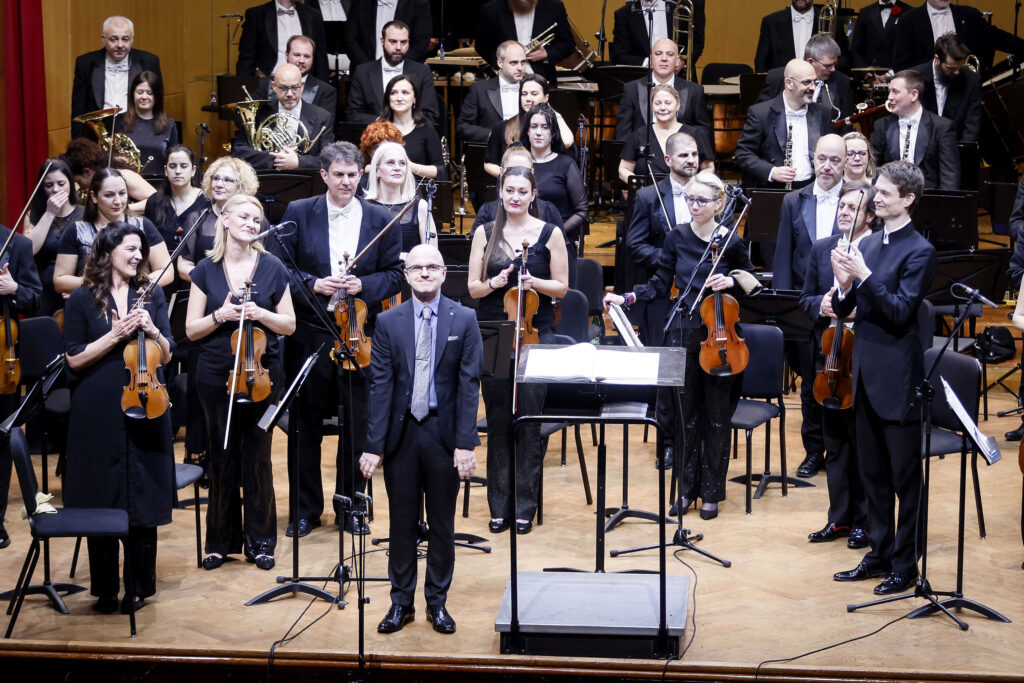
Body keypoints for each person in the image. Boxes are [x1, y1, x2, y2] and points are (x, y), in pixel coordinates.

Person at [604, 172, 753, 520]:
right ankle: (686, 489)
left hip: (719, 335)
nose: (693, 206)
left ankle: (712, 491)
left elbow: (752, 280)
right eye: (689, 199)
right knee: (686, 418)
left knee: (716, 417)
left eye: (702, 200)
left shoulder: (730, 240)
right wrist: (628, 297)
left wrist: (730, 279)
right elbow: (659, 283)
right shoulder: (677, 237)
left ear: (719, 203)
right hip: (683, 330)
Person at [273, 141, 403, 537]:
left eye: (352, 174)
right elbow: (281, 270)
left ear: (361, 175)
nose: (346, 181)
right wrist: (314, 284)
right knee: (305, 425)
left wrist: (364, 283)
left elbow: (397, 275)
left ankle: (352, 506)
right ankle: (304, 510)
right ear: (324, 175)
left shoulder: (380, 217)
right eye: (338, 175)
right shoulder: (299, 212)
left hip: (361, 336)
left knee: (358, 424)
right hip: (312, 333)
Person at [359, 243, 482, 636]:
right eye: (417, 268)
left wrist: (466, 443)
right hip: (402, 435)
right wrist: (373, 444)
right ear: (407, 274)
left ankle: (438, 603)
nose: (425, 273)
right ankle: (401, 603)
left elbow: (468, 385)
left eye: (433, 267)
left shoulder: (464, 318)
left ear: (445, 273)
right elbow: (379, 387)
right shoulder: (388, 321)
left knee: (443, 524)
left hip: (444, 435)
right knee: (401, 523)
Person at [831, 160, 937, 595]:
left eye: (885, 193)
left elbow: (897, 312)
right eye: (877, 192)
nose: (877, 198)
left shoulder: (920, 251)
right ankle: (877, 554)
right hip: (865, 375)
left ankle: (905, 564)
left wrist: (864, 277)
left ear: (908, 199)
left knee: (905, 480)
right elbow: (845, 310)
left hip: (899, 378)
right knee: (872, 475)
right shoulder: (869, 244)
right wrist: (841, 286)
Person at [62, 221, 174, 614]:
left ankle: (139, 588)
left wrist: (153, 329)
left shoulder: (152, 294)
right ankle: (106, 588)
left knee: (141, 495)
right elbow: (73, 357)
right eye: (131, 248)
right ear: (108, 251)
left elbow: (170, 352)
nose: (139, 256)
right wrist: (113, 336)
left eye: (141, 249)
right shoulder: (81, 300)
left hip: (148, 401)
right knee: (102, 492)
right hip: (97, 407)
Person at [185, 194, 295, 572]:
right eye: (244, 216)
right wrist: (220, 315)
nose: (251, 223)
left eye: (257, 218)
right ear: (225, 220)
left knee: (258, 456)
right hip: (216, 375)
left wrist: (260, 312)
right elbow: (191, 330)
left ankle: (261, 541)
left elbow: (289, 325)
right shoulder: (205, 269)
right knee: (221, 455)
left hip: (263, 374)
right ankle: (218, 543)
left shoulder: (273, 267)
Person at [468, 166, 568, 534]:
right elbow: (473, 289)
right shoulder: (484, 232)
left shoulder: (550, 234)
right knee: (496, 422)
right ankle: (499, 506)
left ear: (533, 195)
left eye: (521, 191)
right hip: (494, 332)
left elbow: (561, 287)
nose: (514, 197)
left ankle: (526, 505)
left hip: (536, 334)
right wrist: (494, 281)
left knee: (528, 422)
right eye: (508, 190)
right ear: (500, 192)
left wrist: (535, 281)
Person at [799, 179, 875, 549]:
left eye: (853, 208)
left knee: (861, 444)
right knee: (836, 444)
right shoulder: (821, 248)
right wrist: (820, 305)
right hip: (828, 356)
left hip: (861, 357)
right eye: (841, 207)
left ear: (871, 216)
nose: (844, 212)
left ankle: (864, 520)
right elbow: (804, 297)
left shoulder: (876, 250)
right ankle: (839, 518)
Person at [773, 134, 847, 483]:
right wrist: (786, 309)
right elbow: (784, 255)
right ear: (813, 160)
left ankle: (841, 451)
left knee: (839, 380)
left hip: (845, 307)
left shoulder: (855, 200)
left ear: (845, 162)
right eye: (822, 159)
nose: (828, 166)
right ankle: (814, 451)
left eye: (835, 160)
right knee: (808, 384)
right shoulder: (793, 201)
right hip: (806, 305)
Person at [624, 132, 700, 351]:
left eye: (694, 154)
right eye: (684, 155)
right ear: (668, 160)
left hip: (700, 294)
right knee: (660, 355)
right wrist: (671, 260)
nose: (691, 159)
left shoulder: (711, 194)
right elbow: (635, 246)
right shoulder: (648, 196)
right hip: (662, 292)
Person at [54, 168, 173, 295]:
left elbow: (167, 271)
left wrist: (141, 283)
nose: (117, 201)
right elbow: (60, 281)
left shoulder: (143, 225)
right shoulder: (77, 230)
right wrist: (96, 282)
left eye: (122, 193)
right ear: (94, 197)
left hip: (135, 303)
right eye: (109, 195)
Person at [0, 219, 43, 551]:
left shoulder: (17, 245)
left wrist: (14, 290)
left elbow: (35, 299)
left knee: (1, 441)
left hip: (3, 358)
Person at [735, 59, 833, 190]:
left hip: (812, 190)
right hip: (774, 190)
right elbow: (743, 154)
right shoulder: (761, 113)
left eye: (815, 82)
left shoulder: (822, 113)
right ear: (789, 83)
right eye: (806, 82)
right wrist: (772, 171)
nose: (813, 88)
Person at [231, 63, 335, 172]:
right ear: (274, 87)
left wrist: (299, 162)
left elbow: (328, 160)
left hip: (305, 181)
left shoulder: (322, 117)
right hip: (265, 180)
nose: (289, 94)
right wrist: (276, 158)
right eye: (283, 88)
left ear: (302, 86)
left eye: (294, 87)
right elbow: (239, 152)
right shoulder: (260, 113)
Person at [71, 15, 162, 137]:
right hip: (97, 135)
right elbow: (78, 108)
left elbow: (158, 102)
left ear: (132, 40)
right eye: (113, 39)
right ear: (103, 39)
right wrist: (77, 145)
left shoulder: (149, 61)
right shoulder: (85, 63)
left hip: (137, 129)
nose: (120, 45)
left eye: (125, 39)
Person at [614, 39, 713, 150]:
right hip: (642, 159)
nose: (664, 58)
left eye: (670, 54)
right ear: (651, 59)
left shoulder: (695, 91)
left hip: (681, 158)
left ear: (677, 61)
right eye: (658, 54)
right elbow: (623, 135)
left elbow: (704, 133)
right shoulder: (631, 89)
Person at [870, 69, 959, 190]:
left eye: (895, 92)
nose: (889, 97)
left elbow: (949, 176)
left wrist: (944, 206)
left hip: (927, 201)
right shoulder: (881, 126)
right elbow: (872, 169)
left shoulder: (942, 127)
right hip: (890, 200)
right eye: (889, 92)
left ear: (914, 95)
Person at [178, 157, 264, 283]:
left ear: (240, 186)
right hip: (205, 291)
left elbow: (266, 263)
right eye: (216, 178)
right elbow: (183, 266)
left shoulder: (256, 220)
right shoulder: (196, 218)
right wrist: (211, 281)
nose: (218, 184)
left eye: (228, 180)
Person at [346, 21, 440, 127]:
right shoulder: (363, 72)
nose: (398, 47)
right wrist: (383, 122)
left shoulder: (422, 72)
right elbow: (353, 114)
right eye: (393, 41)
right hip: (374, 137)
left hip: (412, 137)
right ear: (382, 41)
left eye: (403, 42)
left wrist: (405, 126)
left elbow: (430, 115)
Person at [521, 105, 587, 255]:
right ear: (527, 131)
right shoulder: (516, 162)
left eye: (545, 127)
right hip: (521, 240)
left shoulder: (566, 164)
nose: (538, 132)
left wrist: (555, 233)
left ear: (553, 133)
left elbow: (582, 211)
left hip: (557, 242)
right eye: (534, 126)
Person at [892, 0, 1024, 74]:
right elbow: (901, 65)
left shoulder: (969, 15)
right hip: (926, 97)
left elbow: (1000, 38)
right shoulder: (908, 20)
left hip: (966, 94)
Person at [22, 159, 84, 316]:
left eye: (61, 184)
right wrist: (50, 213)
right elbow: (28, 250)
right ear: (42, 188)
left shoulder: (84, 214)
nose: (55, 189)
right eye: (49, 185)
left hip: (75, 289)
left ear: (70, 183)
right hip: (43, 291)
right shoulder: (33, 215)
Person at [618, 84, 714, 185]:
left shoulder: (696, 134)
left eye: (668, 103)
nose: (662, 108)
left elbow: (709, 168)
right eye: (658, 103)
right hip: (648, 197)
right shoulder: (639, 134)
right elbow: (623, 169)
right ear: (652, 106)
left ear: (678, 105)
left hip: (686, 196)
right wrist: (639, 187)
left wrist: (691, 185)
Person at [484, 74, 574, 178]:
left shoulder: (553, 126)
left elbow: (567, 142)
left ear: (546, 97)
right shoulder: (504, 126)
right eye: (524, 94)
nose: (528, 98)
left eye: (534, 94)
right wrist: (511, 176)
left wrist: (555, 114)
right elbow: (489, 163)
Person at [755, 33, 855, 122]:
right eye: (828, 65)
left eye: (834, 64)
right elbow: (761, 115)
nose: (833, 69)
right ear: (810, 61)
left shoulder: (842, 82)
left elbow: (847, 123)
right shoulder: (778, 78)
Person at [475, 0, 576, 85]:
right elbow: (482, 46)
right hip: (503, 83)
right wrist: (504, 62)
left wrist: (547, 53)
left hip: (543, 83)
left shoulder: (554, 6)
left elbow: (568, 43)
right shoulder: (490, 9)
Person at [364, 141, 438, 252]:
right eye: (390, 163)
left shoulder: (420, 207)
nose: (397, 168)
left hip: (408, 268)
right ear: (377, 171)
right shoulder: (363, 207)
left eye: (402, 163)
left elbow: (432, 255)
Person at [473, 144, 564, 231]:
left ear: (532, 173)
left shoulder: (549, 211)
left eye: (524, 170)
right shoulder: (487, 212)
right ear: (501, 172)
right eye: (511, 169)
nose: (518, 174)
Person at [912, 33, 983, 144]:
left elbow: (971, 125)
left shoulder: (971, 80)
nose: (957, 72)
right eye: (951, 68)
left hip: (955, 147)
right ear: (937, 59)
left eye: (960, 66)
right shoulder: (914, 77)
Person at [236, 0, 329, 80]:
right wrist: (245, 90)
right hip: (268, 83)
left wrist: (322, 93)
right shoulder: (256, 14)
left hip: (304, 84)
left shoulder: (313, 15)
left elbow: (320, 59)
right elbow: (246, 58)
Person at [456, 41, 528, 146]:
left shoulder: (533, 88)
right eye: (514, 62)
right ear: (500, 62)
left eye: (523, 62)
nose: (520, 68)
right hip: (491, 152)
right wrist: (493, 135)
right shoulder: (479, 90)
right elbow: (463, 127)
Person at [260, 35, 338, 128]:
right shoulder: (264, 84)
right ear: (286, 55)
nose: (301, 60)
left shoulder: (326, 91)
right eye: (297, 55)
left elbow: (325, 129)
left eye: (307, 56)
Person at [376, 75, 445, 180]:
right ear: (388, 98)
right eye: (393, 93)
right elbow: (364, 166)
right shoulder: (379, 126)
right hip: (384, 190)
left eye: (405, 93)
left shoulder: (425, 126)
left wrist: (410, 166)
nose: (399, 98)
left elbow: (440, 170)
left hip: (417, 191)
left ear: (414, 99)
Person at [610, 0, 706, 75]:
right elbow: (619, 56)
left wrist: (683, 61)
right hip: (642, 82)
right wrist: (649, 62)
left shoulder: (680, 10)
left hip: (678, 79)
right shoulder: (623, 15)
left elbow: (696, 44)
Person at [142, 145, 208, 253]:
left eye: (183, 166)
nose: (178, 171)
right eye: (172, 166)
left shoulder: (207, 201)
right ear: (166, 170)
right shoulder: (154, 201)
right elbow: (147, 241)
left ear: (193, 170)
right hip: (162, 266)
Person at [62, 138, 157, 212]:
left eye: (79, 181)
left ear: (87, 171)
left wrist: (121, 208)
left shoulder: (124, 176)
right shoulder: (96, 187)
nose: (81, 187)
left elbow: (158, 201)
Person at [754, 0, 850, 73]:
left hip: (821, 87)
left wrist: (826, 67)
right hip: (782, 90)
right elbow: (761, 63)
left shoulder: (832, 22)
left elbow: (846, 59)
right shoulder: (770, 22)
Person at [343, 0, 433, 67]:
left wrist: (394, 68)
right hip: (365, 74)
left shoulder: (418, 3)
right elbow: (349, 39)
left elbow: (420, 45)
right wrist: (370, 68)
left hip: (405, 75)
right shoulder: (360, 2)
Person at [122, 71, 178, 175]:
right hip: (126, 185)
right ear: (132, 94)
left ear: (157, 96)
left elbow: (174, 162)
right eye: (140, 92)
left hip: (159, 186)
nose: (144, 97)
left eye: (150, 93)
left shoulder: (169, 124)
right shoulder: (119, 121)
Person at [849, 0, 912, 69]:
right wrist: (866, 72)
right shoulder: (865, 12)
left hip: (898, 73)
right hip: (870, 73)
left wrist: (891, 74)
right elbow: (856, 48)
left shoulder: (909, 12)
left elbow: (912, 50)